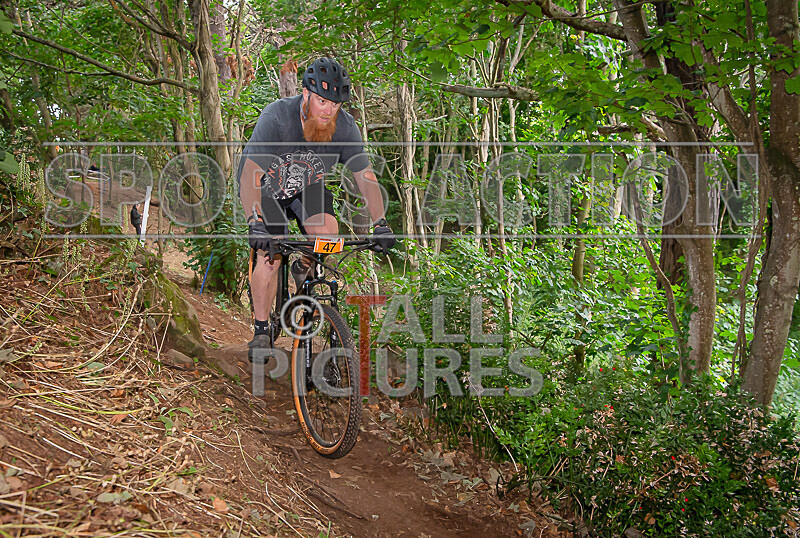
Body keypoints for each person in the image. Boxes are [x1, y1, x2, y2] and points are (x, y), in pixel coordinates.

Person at [237, 57, 396, 354]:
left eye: (335, 105)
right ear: (307, 94)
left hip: (306, 186)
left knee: (328, 235)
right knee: (269, 252)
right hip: (265, 188)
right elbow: (250, 174)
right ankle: (261, 329)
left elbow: (365, 176)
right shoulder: (277, 117)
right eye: (322, 101)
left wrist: (381, 223)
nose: (328, 110)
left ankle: (303, 265)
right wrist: (254, 220)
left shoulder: (345, 128)